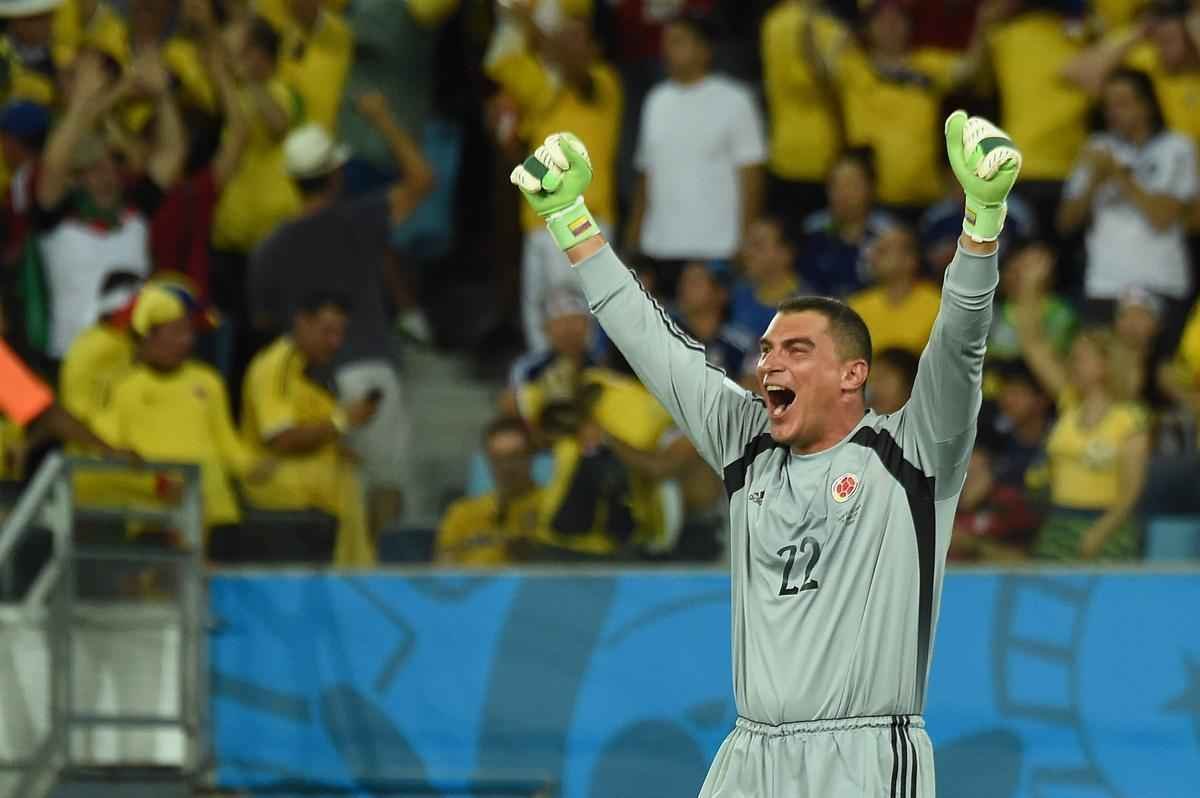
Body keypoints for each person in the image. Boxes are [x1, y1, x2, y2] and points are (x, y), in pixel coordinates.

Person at [509, 108, 1021, 795]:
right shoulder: (747, 443)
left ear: (852, 375)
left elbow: (960, 348)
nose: (769, 365)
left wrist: (980, 224)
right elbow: (655, 347)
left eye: (797, 351)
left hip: (865, 757)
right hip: (750, 756)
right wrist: (572, 220)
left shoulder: (914, 452)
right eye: (768, 349)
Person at [247, 94, 433, 533]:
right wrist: (383, 118)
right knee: (384, 491)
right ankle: (380, 579)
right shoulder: (361, 218)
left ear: (294, 181)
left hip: (305, 386)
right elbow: (423, 179)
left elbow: (263, 322)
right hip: (368, 369)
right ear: (335, 176)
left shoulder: (268, 248)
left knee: (334, 494)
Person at [623, 11, 766, 288]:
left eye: (678, 42)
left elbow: (752, 179)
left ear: (704, 50)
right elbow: (646, 175)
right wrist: (633, 240)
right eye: (666, 43)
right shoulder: (656, 101)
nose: (667, 51)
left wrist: (746, 240)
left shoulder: (735, 100)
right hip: (660, 247)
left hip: (716, 247)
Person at [240, 291, 376, 567]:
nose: (335, 342)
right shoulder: (275, 367)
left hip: (319, 495)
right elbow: (282, 438)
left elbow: (311, 428)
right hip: (283, 497)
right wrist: (343, 421)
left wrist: (336, 446)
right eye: (327, 332)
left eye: (340, 333)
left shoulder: (311, 371)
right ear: (302, 322)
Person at [435, 416, 544, 566]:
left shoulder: (553, 508)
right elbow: (443, 572)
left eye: (515, 456)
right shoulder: (462, 514)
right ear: (488, 460)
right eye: (498, 458)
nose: (507, 467)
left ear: (531, 456)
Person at [848, 223, 942, 358]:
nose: (872, 257)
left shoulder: (938, 308)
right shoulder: (857, 307)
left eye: (883, 251)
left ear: (910, 260)